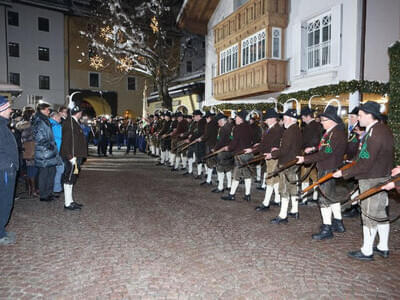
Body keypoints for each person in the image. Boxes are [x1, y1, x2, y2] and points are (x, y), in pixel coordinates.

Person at [333, 101, 394, 261]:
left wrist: (344, 172)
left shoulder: (374, 133)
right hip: (381, 176)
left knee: (369, 215)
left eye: (360, 115)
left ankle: (367, 250)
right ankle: (383, 246)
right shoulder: (382, 129)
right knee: (380, 213)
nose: (358, 119)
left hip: (371, 178)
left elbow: (366, 162)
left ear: (369, 115)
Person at [297, 105, 347, 240]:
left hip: (328, 167)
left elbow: (325, 153)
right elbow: (324, 149)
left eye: (324, 120)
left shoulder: (335, 134)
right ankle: (338, 222)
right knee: (332, 196)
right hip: (330, 166)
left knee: (324, 199)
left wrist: (305, 159)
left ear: (331, 120)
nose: (321, 122)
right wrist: (314, 148)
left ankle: (327, 227)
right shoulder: (332, 132)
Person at [270, 109, 303, 224]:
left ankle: (283, 215)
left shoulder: (289, 131)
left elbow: (284, 150)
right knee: (293, 186)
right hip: (294, 162)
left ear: (289, 119)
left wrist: (272, 154)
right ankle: (295, 210)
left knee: (284, 189)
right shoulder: (297, 129)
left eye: (284, 118)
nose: (283, 120)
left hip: (286, 163)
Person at [252, 108, 284, 211]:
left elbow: (270, 144)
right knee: (274, 179)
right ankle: (277, 199)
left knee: (270, 178)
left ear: (272, 119)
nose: (265, 121)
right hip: (270, 155)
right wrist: (258, 147)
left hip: (272, 157)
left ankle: (266, 203)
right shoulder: (272, 128)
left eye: (266, 119)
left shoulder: (275, 129)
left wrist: (256, 149)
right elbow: (266, 143)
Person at [221, 110, 254, 201]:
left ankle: (232, 194)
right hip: (248, 153)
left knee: (236, 174)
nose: (235, 119)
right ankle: (247, 194)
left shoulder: (237, 128)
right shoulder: (249, 127)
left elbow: (235, 141)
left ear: (241, 119)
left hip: (240, 155)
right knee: (247, 175)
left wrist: (228, 148)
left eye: (237, 117)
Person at [60, 104, 88, 210]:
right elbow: (67, 141)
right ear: (79, 113)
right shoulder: (69, 123)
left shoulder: (73, 122)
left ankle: (70, 200)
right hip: (72, 155)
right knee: (69, 178)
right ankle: (67, 203)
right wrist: (70, 156)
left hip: (75, 155)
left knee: (72, 178)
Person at [0, 96, 19, 245]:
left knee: (6, 200)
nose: (11, 110)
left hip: (7, 168)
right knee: (4, 201)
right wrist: (10, 165)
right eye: (8, 108)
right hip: (4, 169)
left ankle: (2, 230)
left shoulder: (3, 125)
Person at [32, 102, 59, 202]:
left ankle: (49, 192)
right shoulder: (39, 121)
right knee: (44, 174)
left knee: (51, 172)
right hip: (44, 152)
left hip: (48, 152)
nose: (49, 111)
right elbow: (39, 138)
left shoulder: (45, 120)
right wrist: (50, 146)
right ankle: (44, 195)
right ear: (42, 110)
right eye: (47, 109)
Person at [16, 106, 38, 198]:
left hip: (24, 149)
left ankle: (29, 188)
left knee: (28, 170)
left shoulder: (20, 124)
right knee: (32, 169)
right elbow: (31, 136)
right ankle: (33, 190)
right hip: (31, 148)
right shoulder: (30, 125)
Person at [50, 111, 64, 197]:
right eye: (59, 118)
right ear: (54, 117)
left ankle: (55, 188)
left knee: (54, 170)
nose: (60, 119)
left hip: (52, 151)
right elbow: (62, 137)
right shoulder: (56, 126)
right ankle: (56, 188)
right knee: (60, 169)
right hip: (57, 151)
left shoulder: (48, 124)